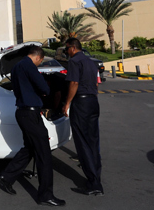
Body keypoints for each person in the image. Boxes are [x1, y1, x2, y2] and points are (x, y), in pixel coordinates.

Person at [0, 45, 66, 207]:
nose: (39, 64)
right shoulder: (29, 66)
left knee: (30, 148)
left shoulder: (16, 67)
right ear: (38, 57)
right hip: (30, 113)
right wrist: (42, 91)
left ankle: (5, 177)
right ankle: (45, 195)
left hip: (23, 112)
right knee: (44, 153)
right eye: (40, 62)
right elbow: (45, 88)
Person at [62, 37, 103, 196]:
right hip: (93, 102)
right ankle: (96, 177)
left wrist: (67, 103)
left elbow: (74, 83)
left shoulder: (74, 62)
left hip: (82, 104)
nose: (66, 53)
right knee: (93, 141)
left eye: (66, 50)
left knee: (83, 143)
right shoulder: (90, 62)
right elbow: (96, 83)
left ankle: (93, 184)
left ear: (72, 48)